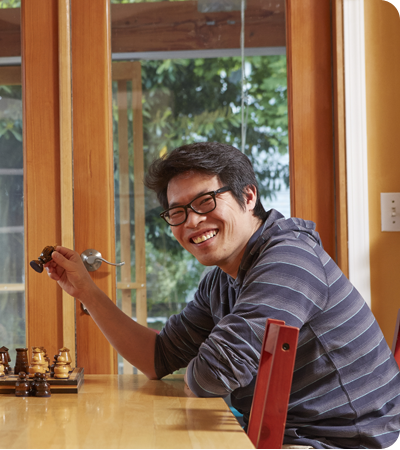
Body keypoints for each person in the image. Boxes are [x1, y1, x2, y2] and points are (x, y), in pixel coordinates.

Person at [44, 142, 400, 448]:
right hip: (289, 437)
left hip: (347, 443)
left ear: (248, 196)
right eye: (178, 212)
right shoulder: (221, 281)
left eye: (205, 201)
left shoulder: (290, 258)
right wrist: (86, 292)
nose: (192, 222)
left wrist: (203, 372)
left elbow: (215, 373)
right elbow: (158, 357)